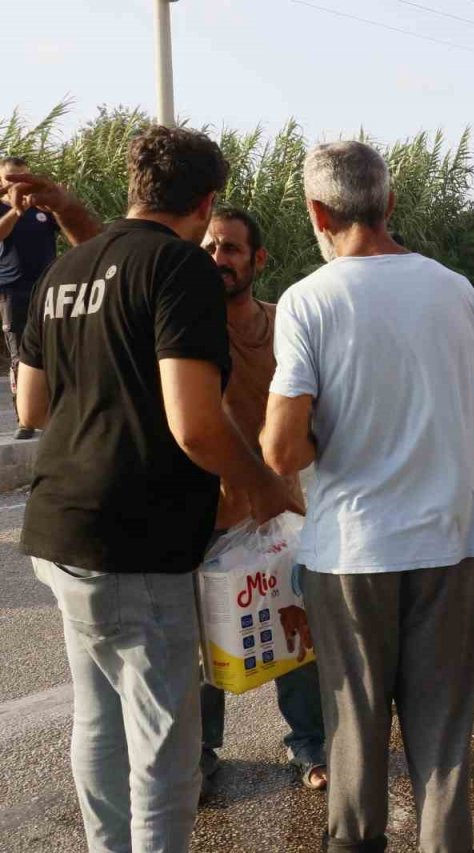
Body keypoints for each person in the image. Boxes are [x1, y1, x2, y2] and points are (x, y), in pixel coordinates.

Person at [16, 126, 299, 853]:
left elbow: (31, 408)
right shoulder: (182, 269)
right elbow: (197, 425)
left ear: (135, 184)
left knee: (101, 723)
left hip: (60, 530)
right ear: (206, 203)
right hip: (136, 538)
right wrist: (263, 485)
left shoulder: (66, 269)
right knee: (168, 746)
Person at [260, 140, 474, 852]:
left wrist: (342, 435)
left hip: (353, 553)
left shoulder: (308, 299)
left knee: (355, 732)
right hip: (449, 543)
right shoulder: (457, 289)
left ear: (317, 212)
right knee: (442, 745)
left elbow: (281, 449)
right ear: (390, 204)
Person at [198, 206, 327, 793]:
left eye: (229, 249)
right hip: (207, 517)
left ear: (257, 260)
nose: (217, 260)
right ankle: (200, 755)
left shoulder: (283, 325)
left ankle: (311, 748)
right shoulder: (185, 330)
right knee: (204, 644)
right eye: (208, 248)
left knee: (296, 635)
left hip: (282, 512)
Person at [0, 157, 98, 438]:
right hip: (13, 291)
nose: (19, 183)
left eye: (24, 177)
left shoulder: (41, 209)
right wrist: (17, 211)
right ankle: (25, 420)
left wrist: (60, 206)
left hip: (48, 288)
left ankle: (61, 411)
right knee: (21, 353)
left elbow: (76, 234)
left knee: (59, 349)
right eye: (12, 178)